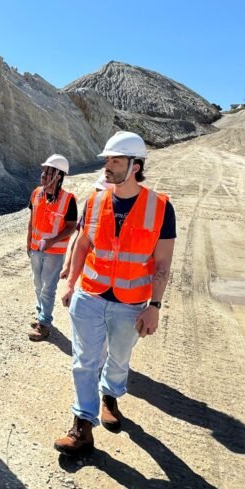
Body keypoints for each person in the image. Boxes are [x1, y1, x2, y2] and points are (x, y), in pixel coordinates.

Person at [53, 132, 176, 455]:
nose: (108, 166)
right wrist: (70, 283)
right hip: (90, 295)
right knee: (84, 361)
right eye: (107, 160)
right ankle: (82, 425)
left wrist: (155, 306)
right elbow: (82, 244)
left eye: (116, 160)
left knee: (119, 359)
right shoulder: (94, 201)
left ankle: (110, 395)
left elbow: (162, 262)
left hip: (130, 303)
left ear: (135, 166)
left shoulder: (161, 207)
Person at [26, 155, 77, 341]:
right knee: (38, 284)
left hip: (54, 253)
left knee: (48, 287)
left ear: (59, 176)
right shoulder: (36, 193)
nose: (44, 175)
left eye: (49, 172)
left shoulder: (68, 200)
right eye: (44, 171)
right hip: (36, 250)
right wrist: (28, 243)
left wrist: (52, 241)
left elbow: (71, 226)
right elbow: (31, 221)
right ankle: (41, 314)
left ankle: (45, 324)